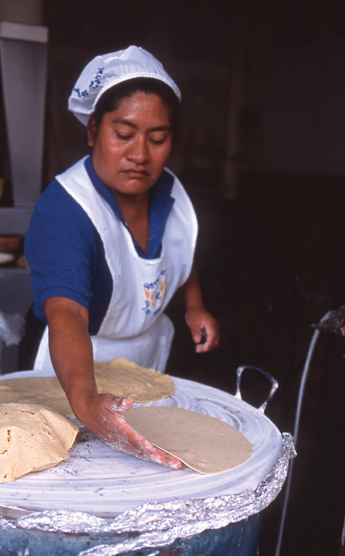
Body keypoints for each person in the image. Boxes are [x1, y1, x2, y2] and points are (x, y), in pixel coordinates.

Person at [24, 46, 219, 469]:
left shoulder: (170, 194)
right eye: (124, 133)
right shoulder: (66, 209)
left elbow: (177, 252)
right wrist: (86, 400)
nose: (140, 155)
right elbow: (67, 314)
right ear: (93, 130)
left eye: (158, 138)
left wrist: (195, 304)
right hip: (75, 367)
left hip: (146, 354)